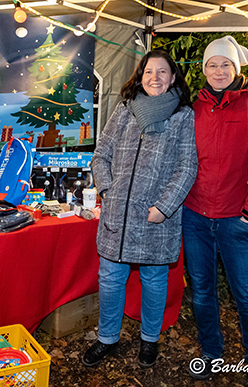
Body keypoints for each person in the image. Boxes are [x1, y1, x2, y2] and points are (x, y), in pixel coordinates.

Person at [82, 50, 198, 369]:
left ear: (173, 78)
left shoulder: (182, 115)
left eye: (162, 72)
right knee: (110, 278)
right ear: (140, 76)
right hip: (118, 214)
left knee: (155, 279)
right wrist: (107, 189)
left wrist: (164, 206)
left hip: (156, 217)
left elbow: (188, 167)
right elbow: (101, 154)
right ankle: (107, 338)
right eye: (149, 71)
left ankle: (150, 339)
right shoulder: (124, 109)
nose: (155, 78)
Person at [182, 36, 248, 387]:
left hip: (235, 220)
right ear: (205, 70)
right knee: (203, 293)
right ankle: (212, 354)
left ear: (236, 68)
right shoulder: (195, 108)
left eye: (225, 64)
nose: (218, 70)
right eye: (212, 64)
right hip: (194, 217)